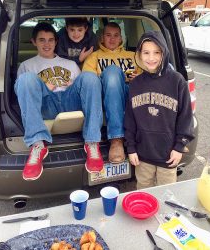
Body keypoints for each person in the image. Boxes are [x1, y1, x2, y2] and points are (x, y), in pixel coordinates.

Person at [15, 22, 103, 181]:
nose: (47, 44)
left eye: (50, 40)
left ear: (56, 42)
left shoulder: (70, 64)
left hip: (70, 101)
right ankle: (37, 144)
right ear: (34, 42)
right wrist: (45, 87)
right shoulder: (26, 66)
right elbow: (23, 94)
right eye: (42, 40)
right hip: (46, 104)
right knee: (26, 80)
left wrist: (72, 86)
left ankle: (92, 142)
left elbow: (84, 89)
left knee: (89, 77)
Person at [124, 30, 194, 189]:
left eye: (157, 52)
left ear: (164, 52)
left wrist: (179, 147)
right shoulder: (135, 85)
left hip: (168, 156)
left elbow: (186, 117)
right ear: (139, 54)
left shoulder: (177, 81)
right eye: (146, 52)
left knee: (167, 194)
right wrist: (131, 148)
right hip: (143, 156)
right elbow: (130, 120)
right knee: (144, 192)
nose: (151, 58)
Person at [82, 22, 140, 164]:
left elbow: (151, 78)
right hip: (106, 95)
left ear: (121, 38)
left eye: (116, 36)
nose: (112, 39)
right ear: (102, 38)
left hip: (129, 93)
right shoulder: (94, 57)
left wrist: (140, 78)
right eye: (108, 35)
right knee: (112, 72)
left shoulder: (134, 56)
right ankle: (116, 140)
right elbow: (88, 83)